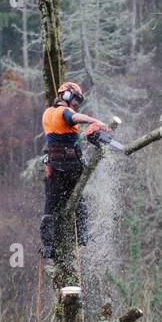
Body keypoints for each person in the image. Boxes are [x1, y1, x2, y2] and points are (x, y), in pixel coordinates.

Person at [40, 81, 108, 260]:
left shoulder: (47, 113)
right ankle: (82, 233)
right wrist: (97, 122)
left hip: (54, 168)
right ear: (67, 95)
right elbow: (75, 118)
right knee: (78, 200)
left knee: (51, 206)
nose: (76, 104)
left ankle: (48, 245)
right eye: (75, 99)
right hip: (70, 167)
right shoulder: (65, 112)